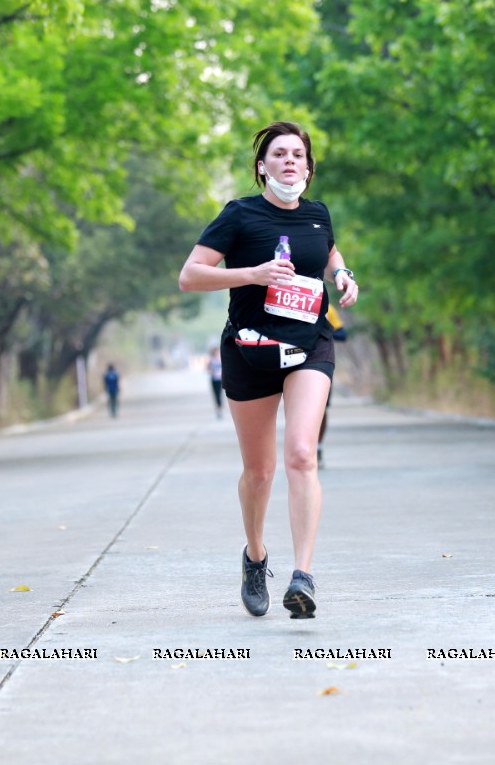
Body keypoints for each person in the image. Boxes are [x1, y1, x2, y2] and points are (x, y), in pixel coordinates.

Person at [179, 120, 359, 619]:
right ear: (262, 167)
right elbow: (190, 276)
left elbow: (326, 251)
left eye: (297, 155)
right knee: (259, 471)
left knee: (302, 453)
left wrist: (341, 272)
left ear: (308, 166)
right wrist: (253, 275)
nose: (289, 161)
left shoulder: (318, 214)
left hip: (310, 345)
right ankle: (255, 556)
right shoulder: (239, 215)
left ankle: (303, 576)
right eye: (279, 154)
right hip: (251, 349)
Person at [317, 304, 348, 467]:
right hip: (289, 360)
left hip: (319, 360)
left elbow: (342, 334)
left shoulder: (326, 306)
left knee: (321, 408)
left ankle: (318, 447)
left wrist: (323, 326)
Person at [208, 347, 224, 419]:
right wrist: (211, 369)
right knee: (216, 395)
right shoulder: (211, 360)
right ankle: (218, 409)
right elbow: (208, 368)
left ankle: (220, 409)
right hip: (214, 379)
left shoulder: (220, 359)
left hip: (220, 379)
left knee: (219, 394)